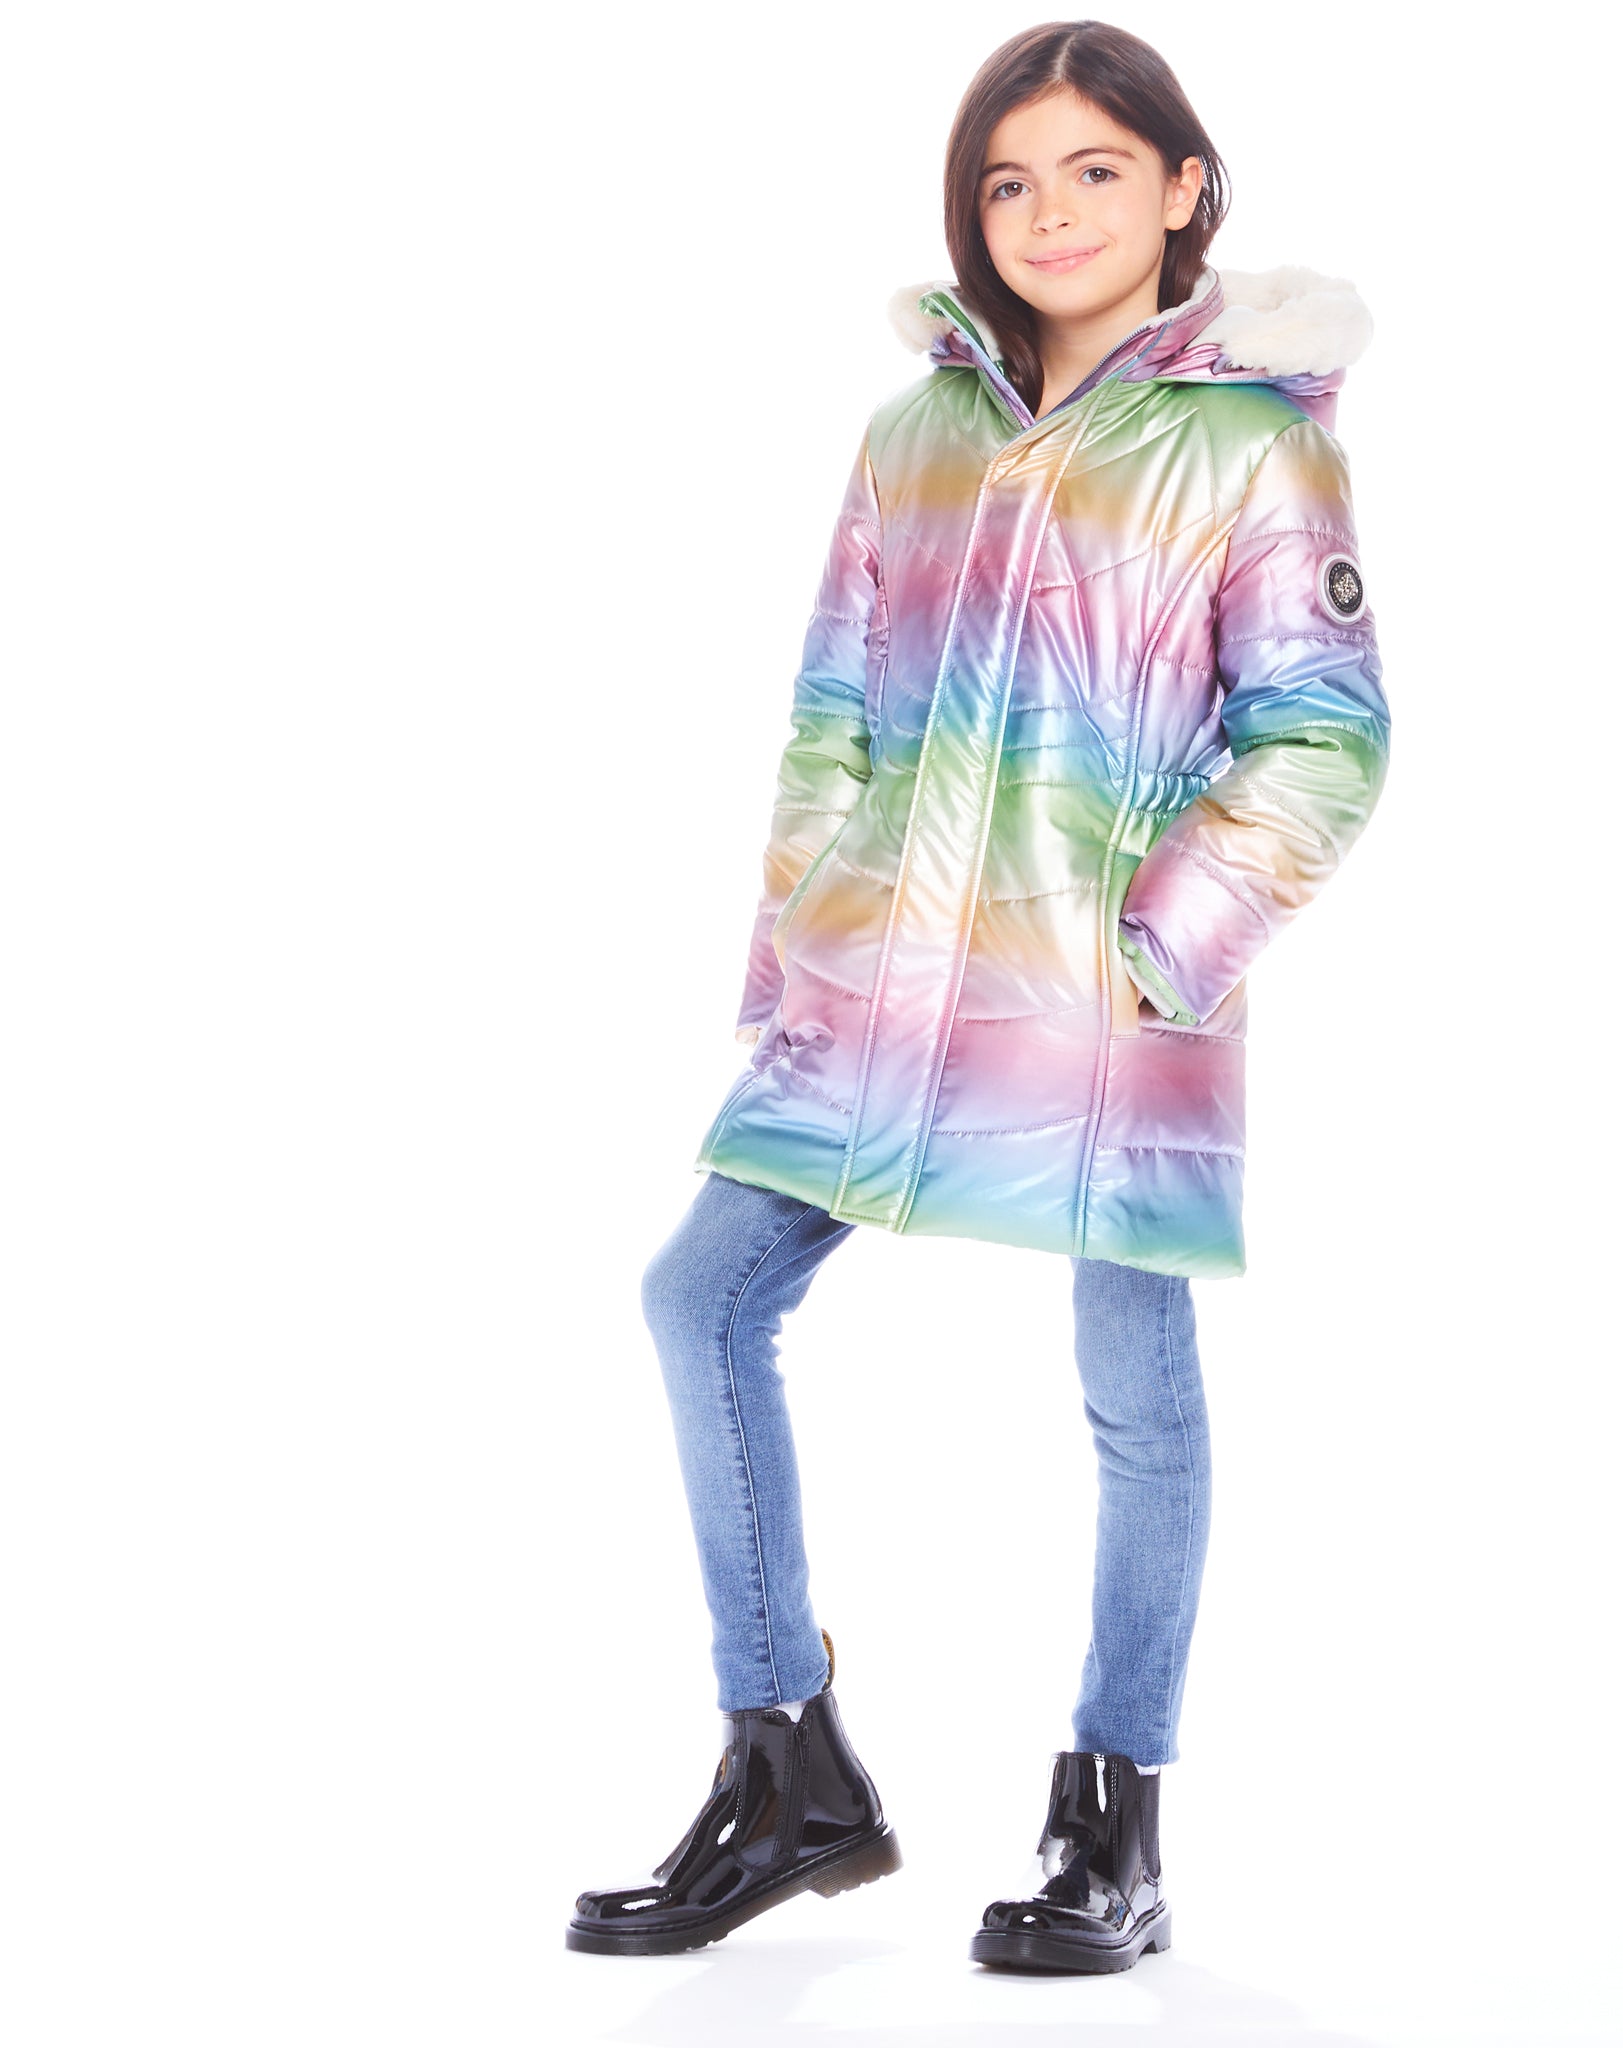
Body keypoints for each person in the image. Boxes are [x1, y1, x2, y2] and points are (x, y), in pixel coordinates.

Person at [566, 20, 1390, 1975]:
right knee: (703, 1294)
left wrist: (1155, 951)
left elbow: (1321, 737)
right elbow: (834, 710)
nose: (1049, 212)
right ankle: (787, 1772)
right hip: (872, 977)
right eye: (1009, 180)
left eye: (1096, 170)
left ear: (1184, 187)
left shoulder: (1254, 445)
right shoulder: (913, 432)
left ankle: (1113, 1820)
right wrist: (795, 945)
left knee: (1132, 1385)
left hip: (1103, 1004)